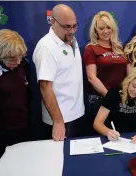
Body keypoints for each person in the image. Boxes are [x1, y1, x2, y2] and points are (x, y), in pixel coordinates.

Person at [0, 29, 42, 170]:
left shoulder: (24, 65)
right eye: (13, 59)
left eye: (20, 56)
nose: (18, 61)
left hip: (25, 130)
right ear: (0, 55)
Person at [33, 4, 86, 141]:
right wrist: (58, 121)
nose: (72, 30)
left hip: (78, 114)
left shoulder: (71, 39)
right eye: (67, 26)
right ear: (52, 22)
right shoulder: (46, 48)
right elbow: (45, 88)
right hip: (61, 120)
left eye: (75, 26)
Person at [93, 65, 136, 143]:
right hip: (119, 138)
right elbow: (97, 123)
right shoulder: (114, 93)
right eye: (134, 86)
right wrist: (107, 132)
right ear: (129, 81)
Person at [83, 11, 127, 130]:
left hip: (120, 99)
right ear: (95, 30)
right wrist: (109, 97)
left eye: (108, 27)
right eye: (101, 28)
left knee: (121, 134)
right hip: (100, 100)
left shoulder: (118, 48)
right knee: (106, 135)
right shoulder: (91, 48)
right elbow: (91, 77)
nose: (106, 31)